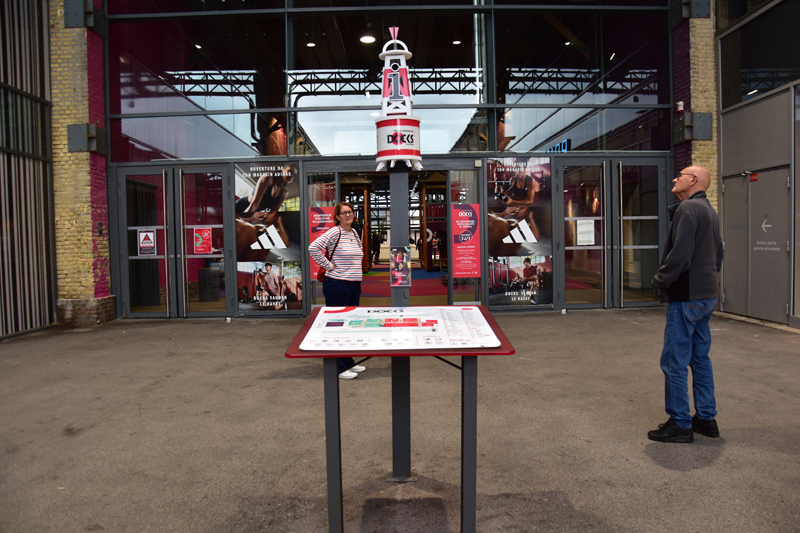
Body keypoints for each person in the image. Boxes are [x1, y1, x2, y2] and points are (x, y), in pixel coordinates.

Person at [647, 166, 724, 443]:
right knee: (700, 359)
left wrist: (660, 280)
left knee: (674, 361)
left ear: (693, 181)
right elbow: (719, 253)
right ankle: (706, 418)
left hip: (687, 297)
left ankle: (680, 424)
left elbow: (680, 254)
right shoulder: (708, 210)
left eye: (680, 175)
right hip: (706, 296)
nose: (675, 178)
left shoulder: (688, 209)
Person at [308, 202, 366, 380]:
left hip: (353, 285)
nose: (348, 215)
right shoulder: (335, 232)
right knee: (338, 326)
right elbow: (313, 248)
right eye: (343, 213)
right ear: (338, 216)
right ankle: (338, 367)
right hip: (337, 284)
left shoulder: (354, 233)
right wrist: (328, 265)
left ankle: (348, 362)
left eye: (350, 212)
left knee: (350, 325)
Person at [235, 164, 296, 261]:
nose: (292, 175)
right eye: (290, 171)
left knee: (257, 233)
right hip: (243, 209)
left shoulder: (284, 193)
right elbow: (254, 204)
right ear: (282, 169)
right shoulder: (268, 178)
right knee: (246, 230)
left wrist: (277, 223)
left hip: (256, 217)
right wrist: (251, 218)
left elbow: (274, 212)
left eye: (294, 175)